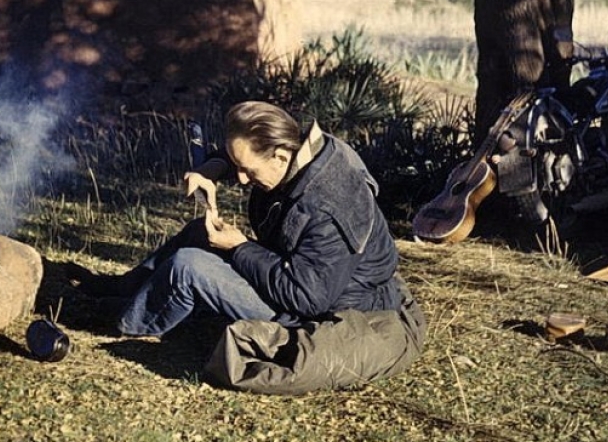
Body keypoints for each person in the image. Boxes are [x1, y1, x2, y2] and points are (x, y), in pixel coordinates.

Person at [88, 100, 407, 337]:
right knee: (200, 232)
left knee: (188, 267)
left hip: (325, 312)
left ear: (281, 156)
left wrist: (239, 247)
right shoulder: (296, 150)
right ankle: (120, 289)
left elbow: (306, 298)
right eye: (237, 168)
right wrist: (211, 169)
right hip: (296, 276)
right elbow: (240, 153)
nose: (240, 180)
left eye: (248, 171)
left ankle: (118, 323)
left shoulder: (330, 206)